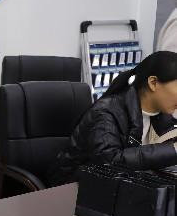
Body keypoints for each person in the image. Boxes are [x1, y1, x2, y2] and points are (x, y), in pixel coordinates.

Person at [50, 51, 177, 185]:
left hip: (126, 187)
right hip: (75, 188)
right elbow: (110, 163)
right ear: (153, 83)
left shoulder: (162, 116)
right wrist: (173, 150)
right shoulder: (106, 113)